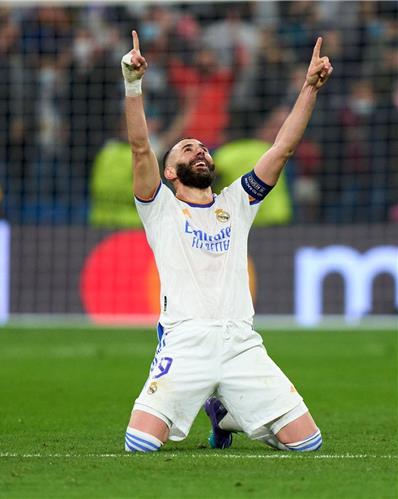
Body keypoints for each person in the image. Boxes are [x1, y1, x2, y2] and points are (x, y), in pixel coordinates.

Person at [120, 31, 332, 453]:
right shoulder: (159, 208)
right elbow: (141, 148)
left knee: (308, 444)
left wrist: (309, 87)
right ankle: (216, 406)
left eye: (203, 148)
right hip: (186, 341)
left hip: (240, 342)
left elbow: (282, 148)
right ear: (170, 172)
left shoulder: (237, 202)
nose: (199, 151)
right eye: (187, 149)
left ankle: (226, 415)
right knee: (139, 444)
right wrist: (132, 84)